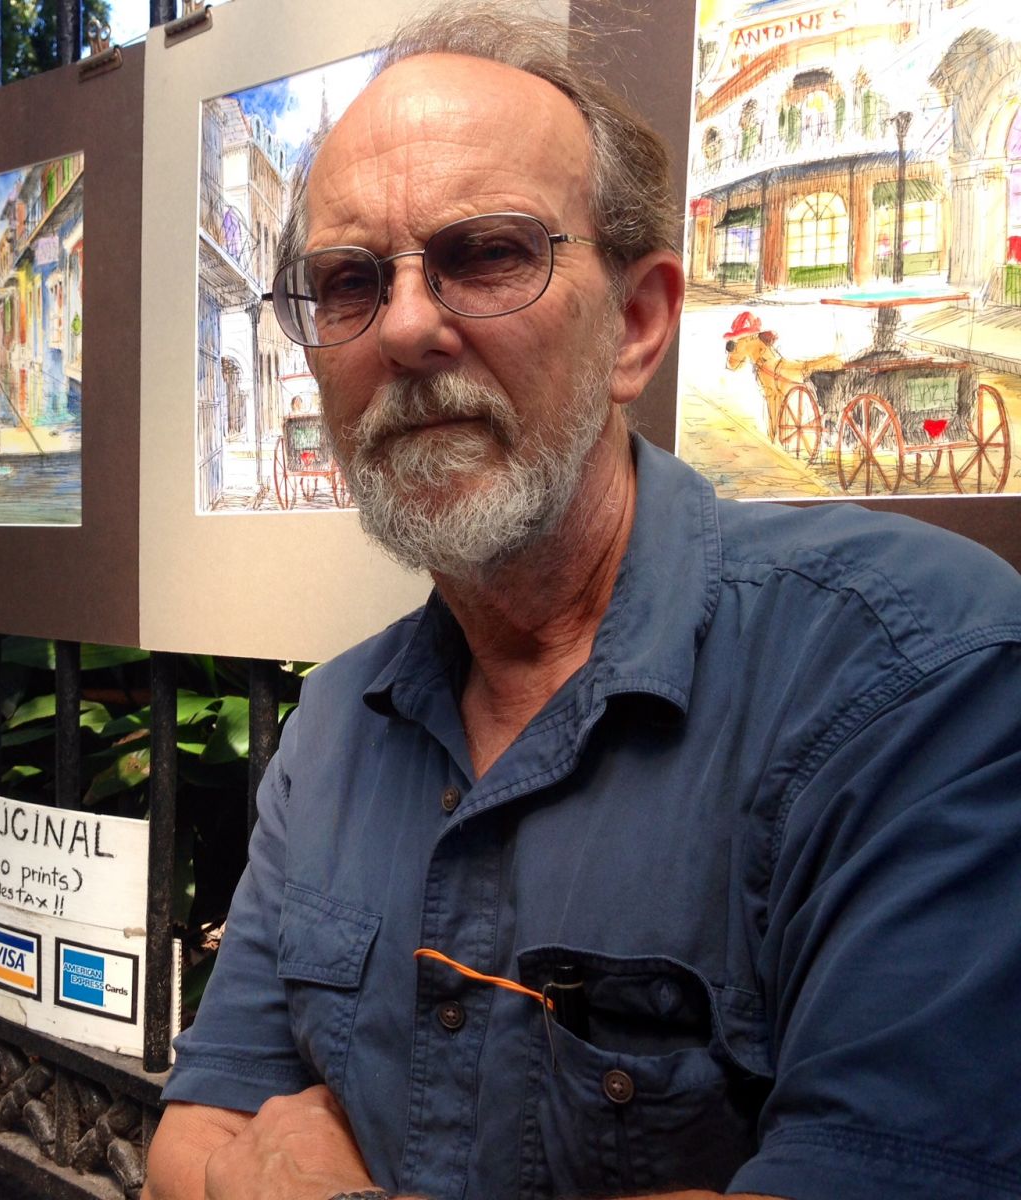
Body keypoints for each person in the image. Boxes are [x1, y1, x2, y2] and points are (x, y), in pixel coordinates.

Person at [143, 5, 1021, 1200]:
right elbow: (196, 1130)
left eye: (487, 253)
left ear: (638, 324)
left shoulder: (908, 674)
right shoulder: (341, 724)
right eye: (348, 282)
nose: (403, 324)